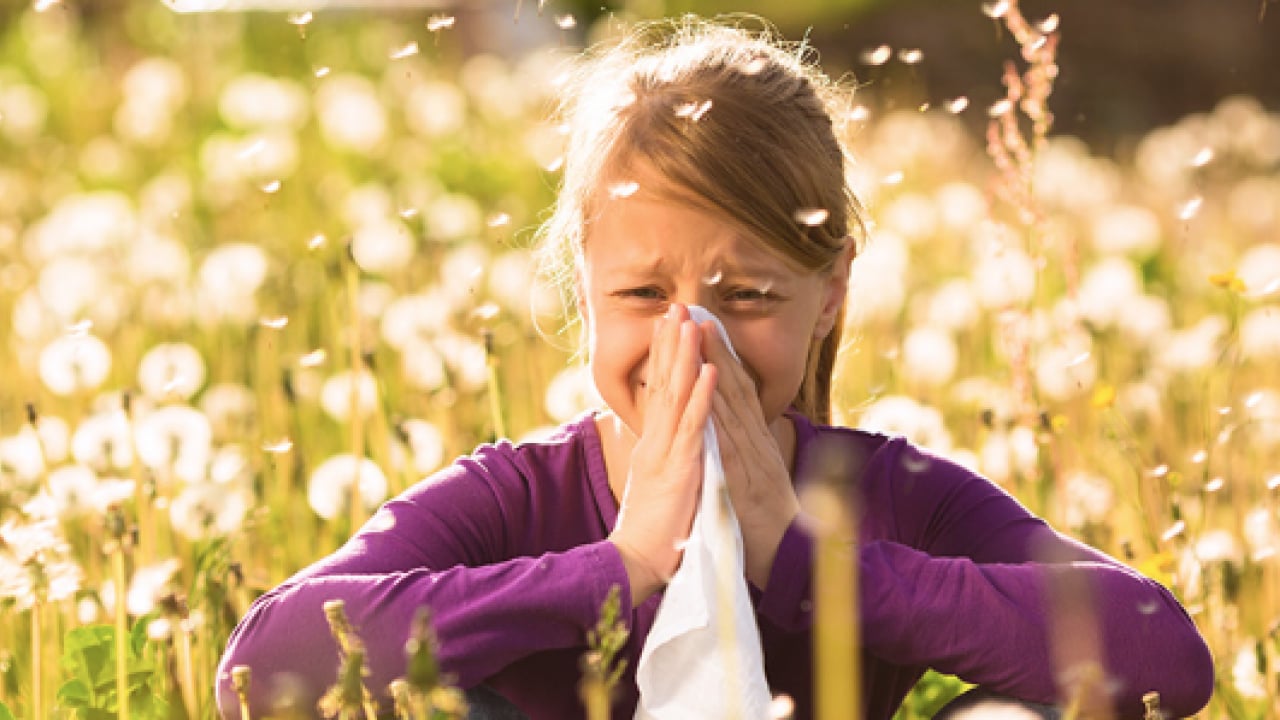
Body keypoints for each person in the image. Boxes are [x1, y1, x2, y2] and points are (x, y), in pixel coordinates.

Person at [216, 16, 1213, 720]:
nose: (690, 342)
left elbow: (1159, 657)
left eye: (745, 298)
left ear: (828, 293)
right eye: (642, 296)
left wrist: (805, 559)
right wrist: (619, 570)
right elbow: (263, 671)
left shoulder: (884, 495)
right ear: (582, 285)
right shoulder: (513, 497)